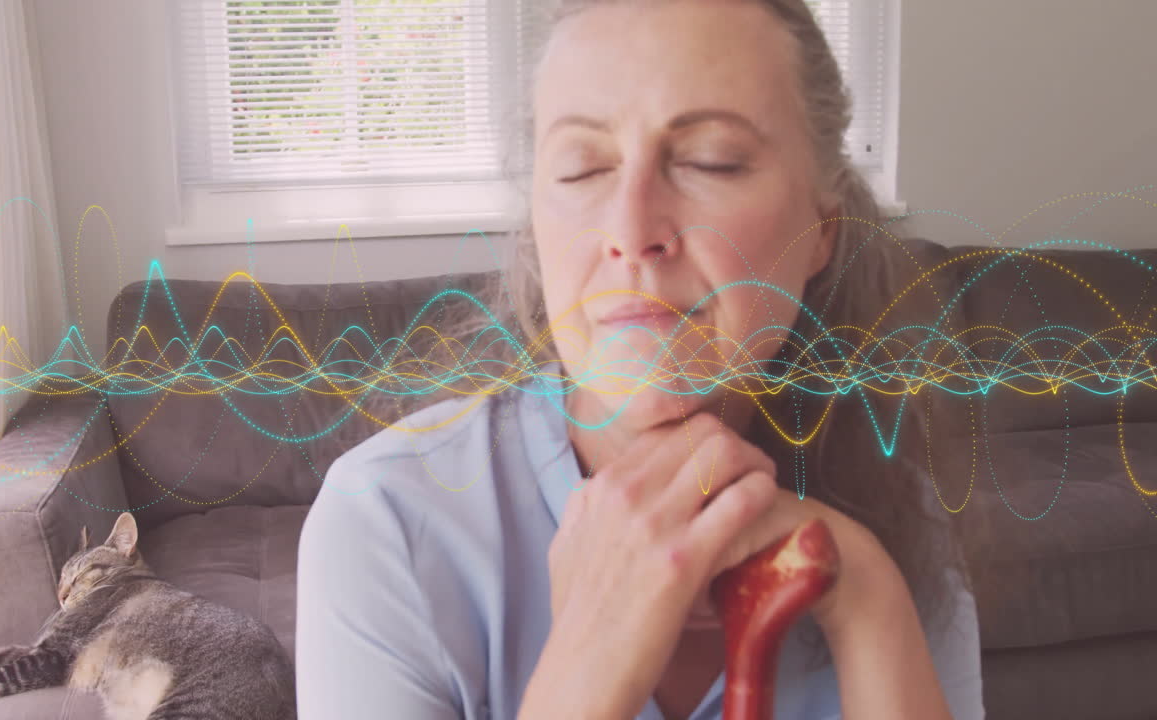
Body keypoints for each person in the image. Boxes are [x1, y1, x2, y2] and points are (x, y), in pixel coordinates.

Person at [295, 0, 984, 718]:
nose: (629, 230)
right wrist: (587, 670)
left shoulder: (900, 519)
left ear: (821, 229)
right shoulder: (385, 524)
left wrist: (869, 596)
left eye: (707, 160)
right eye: (582, 168)